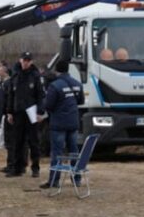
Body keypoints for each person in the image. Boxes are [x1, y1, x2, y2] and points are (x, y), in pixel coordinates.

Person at [40, 59, 84, 189]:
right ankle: (76, 179)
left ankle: (54, 181)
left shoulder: (55, 85)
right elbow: (80, 101)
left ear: (56, 70)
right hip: (73, 122)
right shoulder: (77, 83)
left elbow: (49, 105)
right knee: (74, 151)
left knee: (57, 153)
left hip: (58, 123)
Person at [5, 52, 43, 178]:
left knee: (34, 141)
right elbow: (11, 95)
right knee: (18, 141)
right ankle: (17, 168)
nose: (25, 62)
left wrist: (40, 112)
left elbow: (40, 95)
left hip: (31, 112)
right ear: (20, 60)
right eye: (24, 60)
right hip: (18, 112)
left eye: (28, 60)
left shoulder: (35, 76)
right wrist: (9, 112)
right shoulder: (15, 76)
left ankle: (35, 168)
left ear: (31, 62)